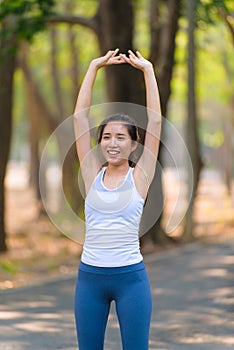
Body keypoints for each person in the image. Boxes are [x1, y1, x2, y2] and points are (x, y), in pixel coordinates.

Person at [73, 49, 161, 350]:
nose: (113, 143)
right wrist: (93, 66)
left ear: (134, 144)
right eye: (107, 137)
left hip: (131, 280)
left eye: (121, 137)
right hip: (89, 280)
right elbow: (79, 118)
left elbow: (156, 121)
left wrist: (147, 71)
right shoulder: (90, 174)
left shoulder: (140, 178)